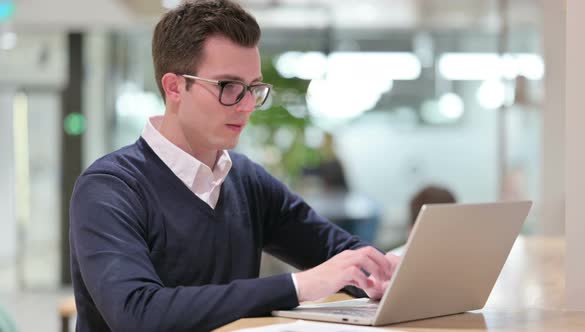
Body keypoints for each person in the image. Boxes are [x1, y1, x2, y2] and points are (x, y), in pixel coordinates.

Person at [69, 1, 400, 331]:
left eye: (253, 88)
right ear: (174, 87)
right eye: (228, 87)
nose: (246, 106)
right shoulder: (109, 188)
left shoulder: (245, 180)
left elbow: (335, 250)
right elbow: (138, 313)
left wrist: (386, 274)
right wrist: (298, 287)